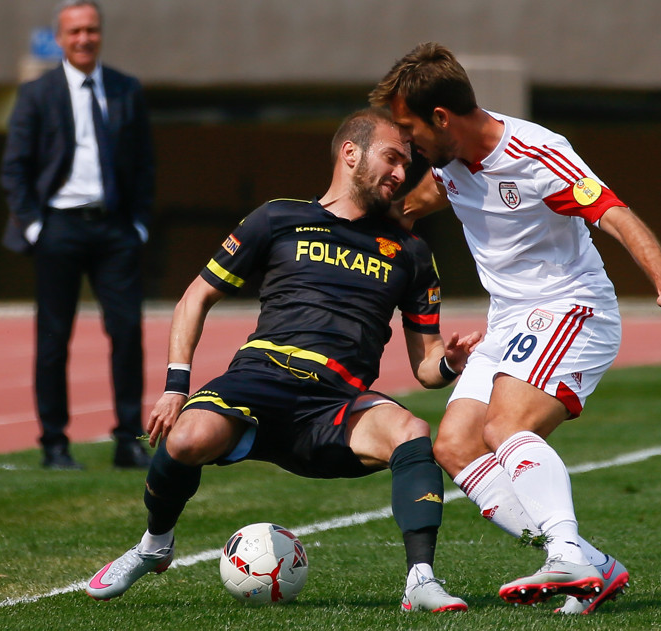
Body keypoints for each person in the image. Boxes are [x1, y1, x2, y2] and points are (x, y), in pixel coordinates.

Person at [85, 108, 481, 612]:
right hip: (258, 379)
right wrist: (174, 386)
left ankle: (420, 581)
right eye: (392, 158)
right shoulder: (277, 218)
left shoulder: (410, 252)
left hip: (334, 403)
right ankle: (154, 546)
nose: (402, 174)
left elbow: (426, 367)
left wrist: (447, 362)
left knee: (413, 432)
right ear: (351, 153)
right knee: (185, 438)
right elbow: (194, 299)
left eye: (408, 164)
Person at [369, 42, 661, 615]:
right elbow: (422, 200)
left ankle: (565, 554)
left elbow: (616, 213)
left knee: (505, 427)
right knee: (454, 445)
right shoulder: (446, 164)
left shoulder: (537, 154)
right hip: (507, 318)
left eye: (409, 129)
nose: (406, 144)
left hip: (571, 307)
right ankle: (591, 563)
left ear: (441, 117)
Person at [1, 0, 154, 469]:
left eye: (90, 29)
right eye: (74, 32)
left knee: (127, 331)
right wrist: (35, 224)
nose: (84, 38)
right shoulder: (37, 93)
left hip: (114, 227)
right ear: (61, 38)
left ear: (99, 33)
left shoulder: (126, 89)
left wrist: (139, 223)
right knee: (53, 337)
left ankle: (128, 439)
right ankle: (54, 444)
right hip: (59, 226)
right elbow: (15, 167)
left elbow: (144, 162)